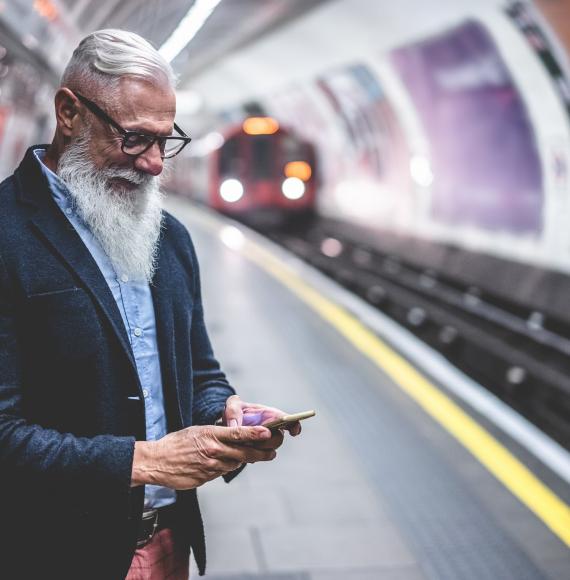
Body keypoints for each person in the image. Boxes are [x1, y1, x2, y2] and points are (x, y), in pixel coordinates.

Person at [0, 29, 301, 580]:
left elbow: (201, 371)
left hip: (167, 545)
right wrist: (148, 460)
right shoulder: (6, 236)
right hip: (51, 554)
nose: (156, 164)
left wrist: (227, 416)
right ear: (69, 112)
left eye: (167, 139)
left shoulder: (170, 238)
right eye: (135, 138)